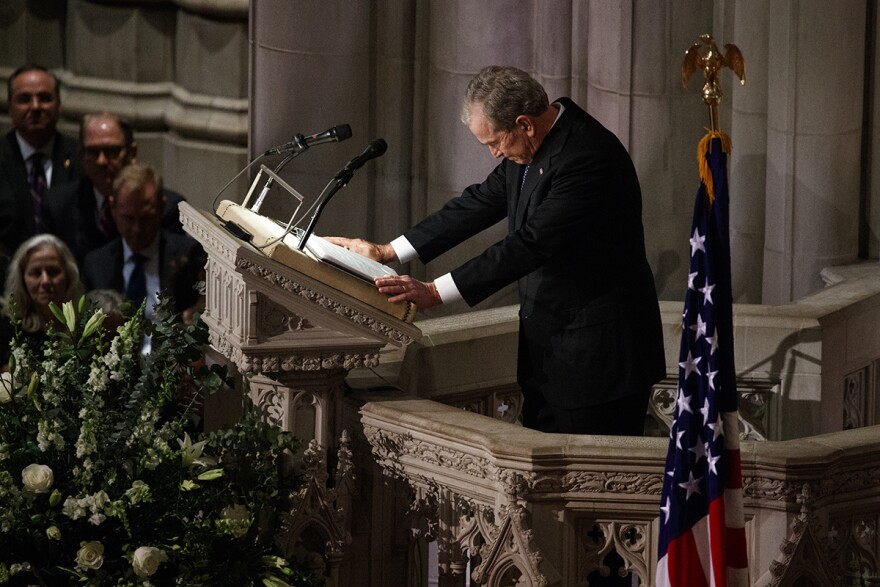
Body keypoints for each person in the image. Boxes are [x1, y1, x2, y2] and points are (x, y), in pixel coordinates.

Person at [329, 66, 666, 435]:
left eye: (495, 142)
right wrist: (387, 250)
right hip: (553, 358)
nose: (493, 154)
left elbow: (529, 244)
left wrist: (433, 292)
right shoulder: (529, 149)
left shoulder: (586, 157)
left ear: (525, 124)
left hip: (599, 364)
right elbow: (477, 203)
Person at [42, 112, 187, 266]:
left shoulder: (165, 209)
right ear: (81, 155)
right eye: (93, 152)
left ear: (132, 153)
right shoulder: (57, 206)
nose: (101, 161)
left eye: (111, 151)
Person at [0, 65, 82, 262]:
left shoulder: (82, 157)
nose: (35, 107)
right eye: (24, 99)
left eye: (45, 98)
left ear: (58, 104)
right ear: (10, 106)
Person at [0, 234, 85, 365]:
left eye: (53, 271)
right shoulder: (8, 329)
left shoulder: (84, 328)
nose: (45, 281)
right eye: (35, 272)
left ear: (69, 276)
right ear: (22, 279)